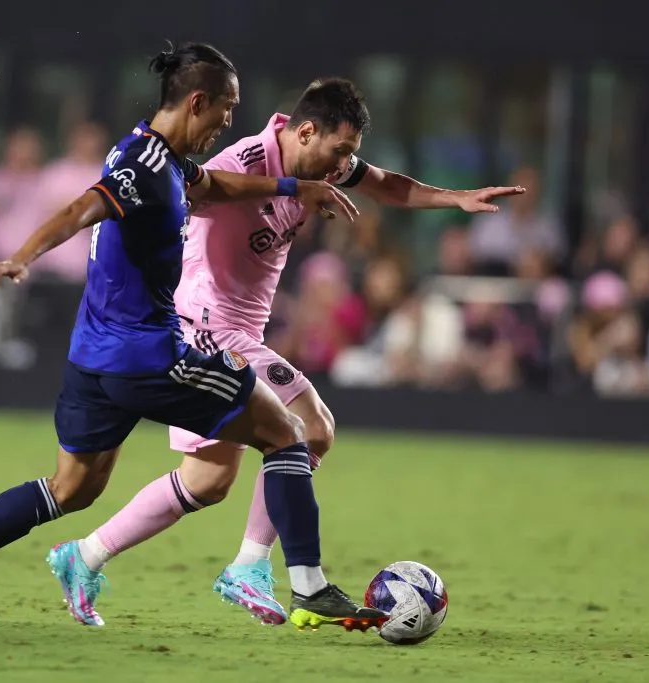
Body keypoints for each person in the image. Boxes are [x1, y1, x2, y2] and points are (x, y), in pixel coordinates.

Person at [0, 42, 387, 634]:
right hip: (149, 357)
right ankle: (307, 584)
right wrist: (21, 256)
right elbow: (84, 207)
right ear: (196, 102)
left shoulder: (163, 159)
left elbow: (213, 186)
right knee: (289, 433)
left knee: (69, 489)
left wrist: (288, 189)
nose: (228, 124)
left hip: (90, 361)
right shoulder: (144, 168)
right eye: (225, 111)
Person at [70, 77, 526, 624]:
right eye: (341, 151)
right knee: (311, 425)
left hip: (237, 328)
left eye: (350, 154)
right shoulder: (246, 161)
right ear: (306, 131)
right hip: (206, 326)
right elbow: (188, 188)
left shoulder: (318, 160)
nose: (345, 166)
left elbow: (384, 184)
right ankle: (257, 568)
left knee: (208, 480)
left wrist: (453, 198)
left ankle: (84, 555)